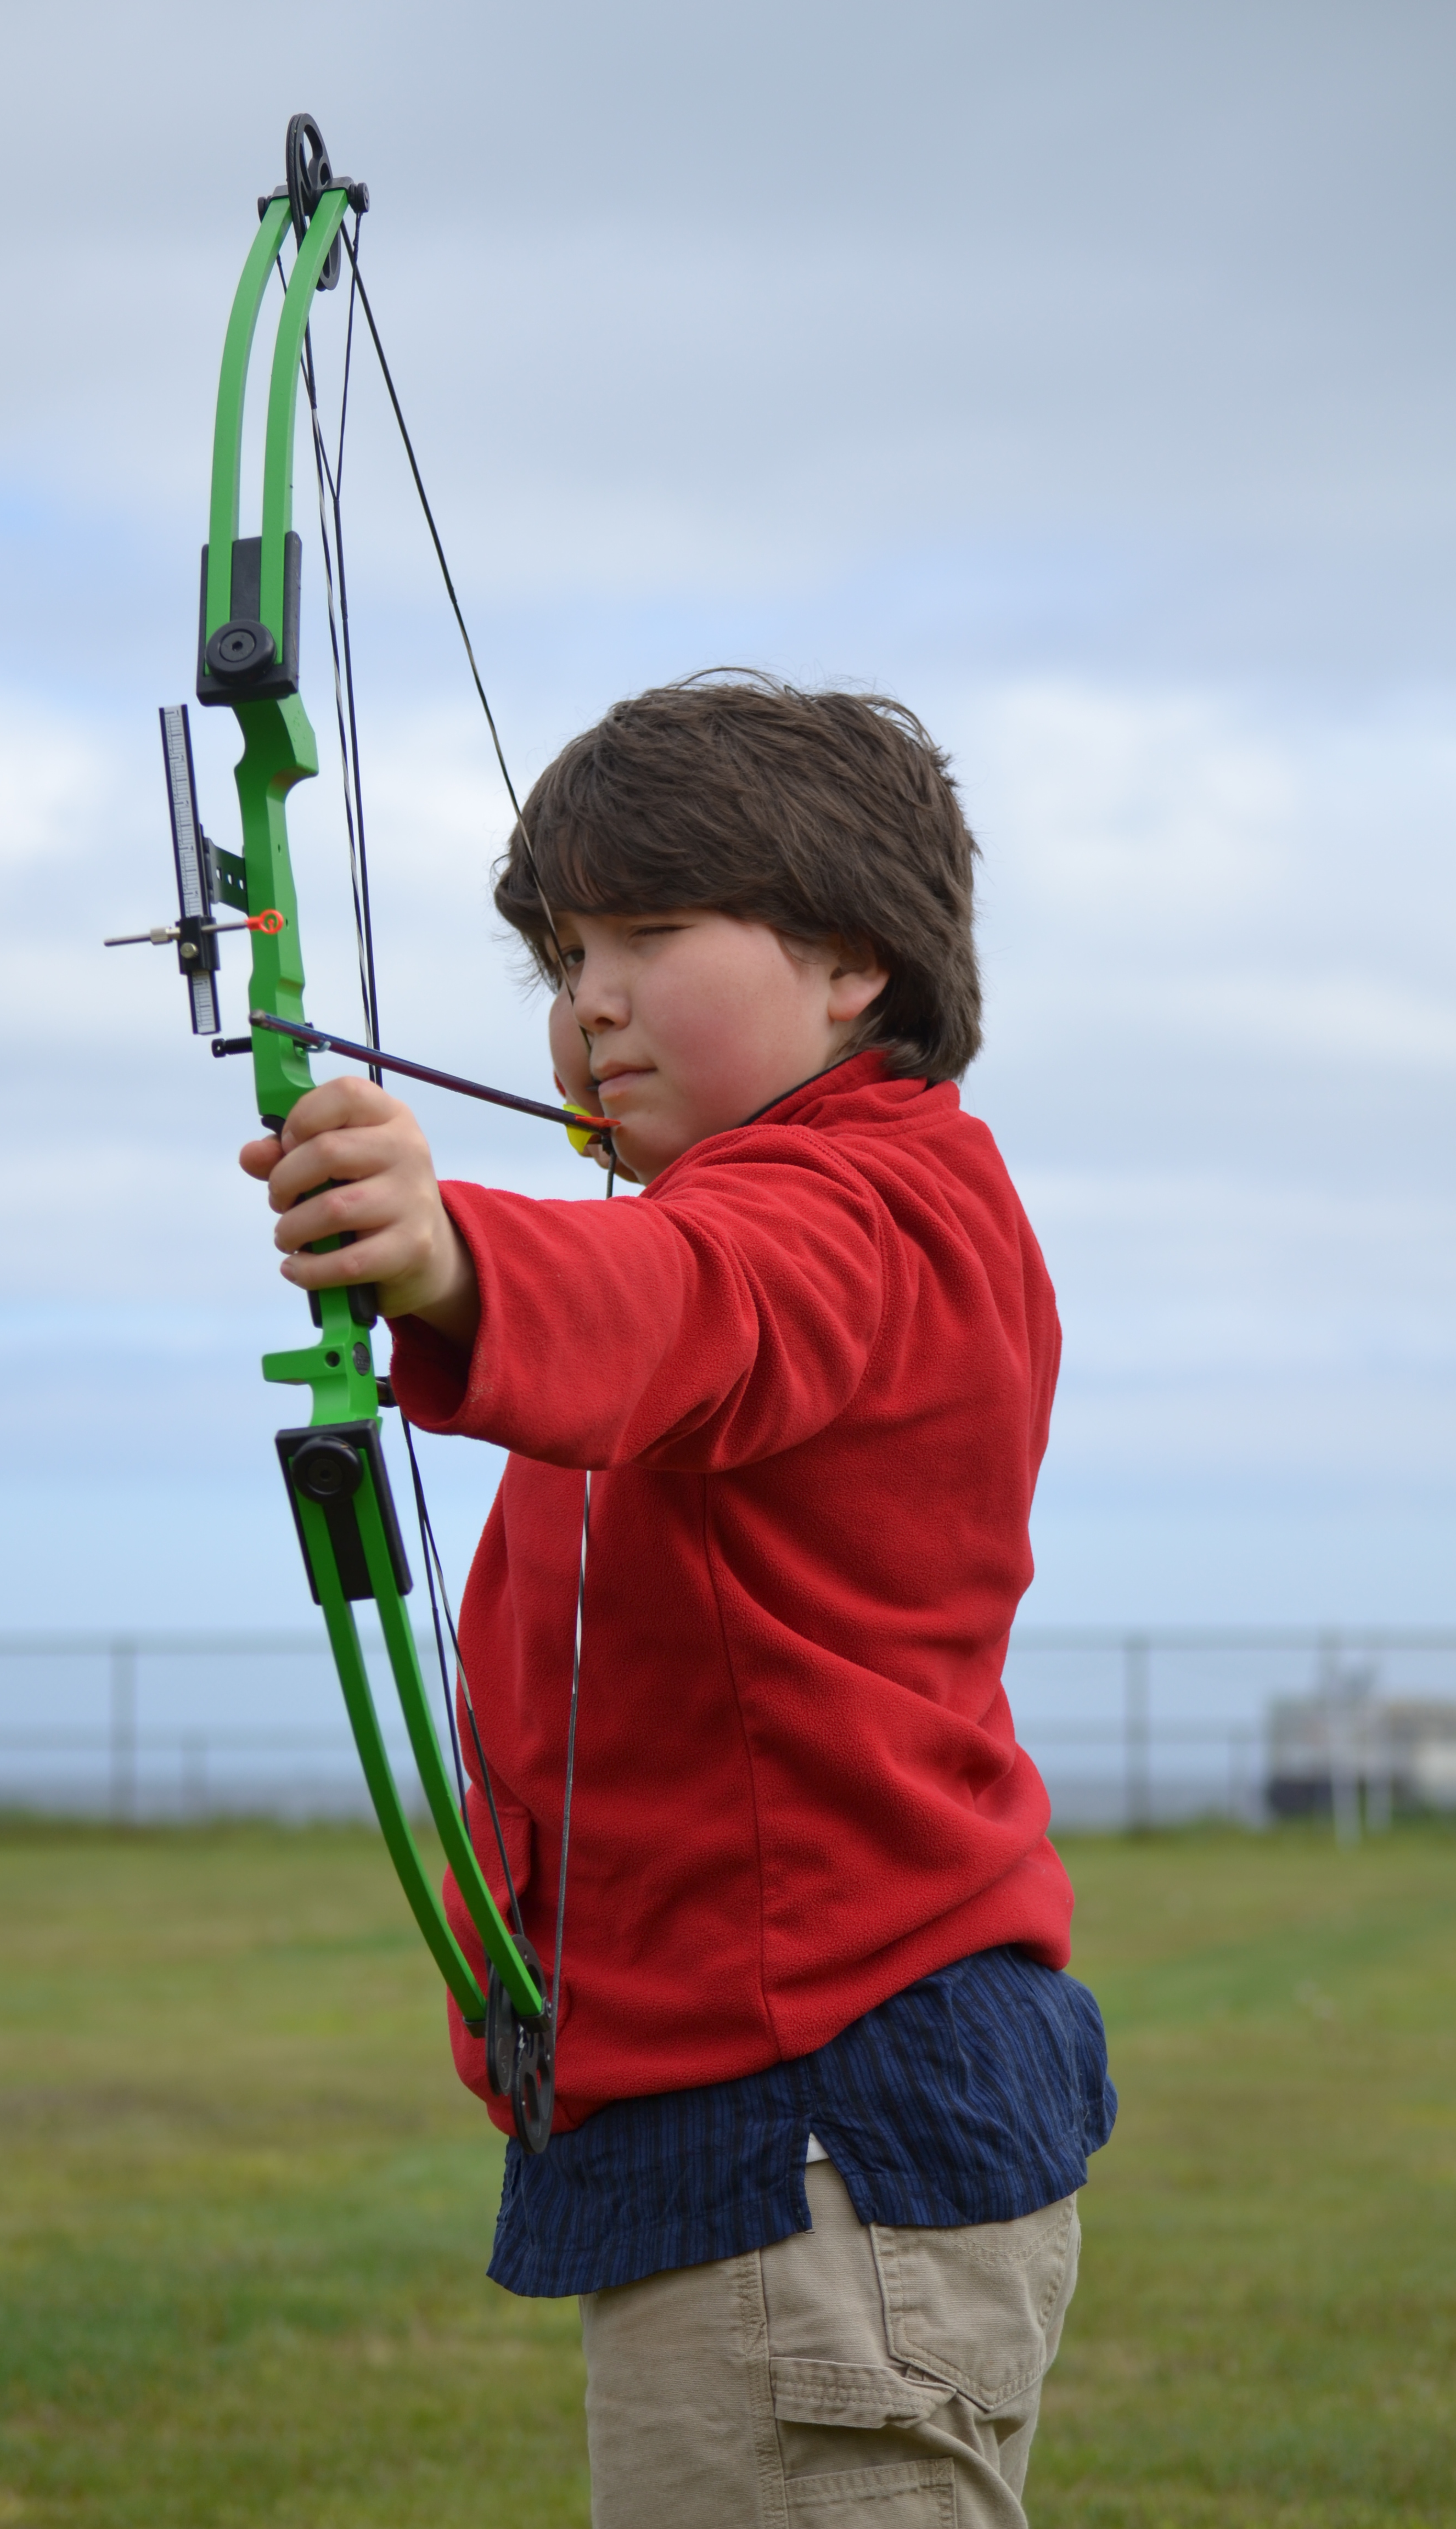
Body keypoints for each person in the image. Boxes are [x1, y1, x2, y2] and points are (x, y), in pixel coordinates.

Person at [240, 674, 1115, 2528]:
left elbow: (686, 1301)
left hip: (820, 2130)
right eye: (566, 955)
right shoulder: (764, 1214)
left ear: (852, 964)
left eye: (651, 931)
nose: (591, 1002)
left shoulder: (874, 1212)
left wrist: (452, 1251)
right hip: (781, 2122)